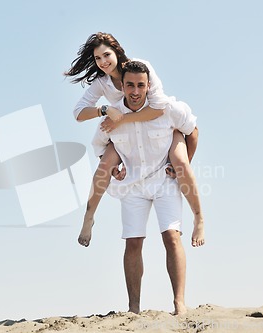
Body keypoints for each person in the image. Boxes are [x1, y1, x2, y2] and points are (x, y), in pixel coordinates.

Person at [64, 32, 204, 248]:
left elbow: (158, 109)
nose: (103, 62)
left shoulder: (140, 67)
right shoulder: (102, 82)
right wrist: (105, 109)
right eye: (98, 58)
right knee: (104, 166)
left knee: (181, 162)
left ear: (117, 52)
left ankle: (199, 218)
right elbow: (78, 113)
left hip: (156, 122)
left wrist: (121, 120)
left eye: (106, 55)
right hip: (127, 132)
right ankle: (89, 217)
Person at [92, 60, 195, 315]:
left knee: (171, 237)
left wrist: (182, 164)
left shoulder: (167, 109)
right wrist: (113, 167)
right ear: (123, 86)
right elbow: (99, 146)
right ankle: (134, 308)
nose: (135, 91)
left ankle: (179, 303)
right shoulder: (113, 114)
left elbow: (192, 131)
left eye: (140, 85)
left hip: (164, 181)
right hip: (133, 185)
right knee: (133, 242)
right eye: (130, 85)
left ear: (149, 86)